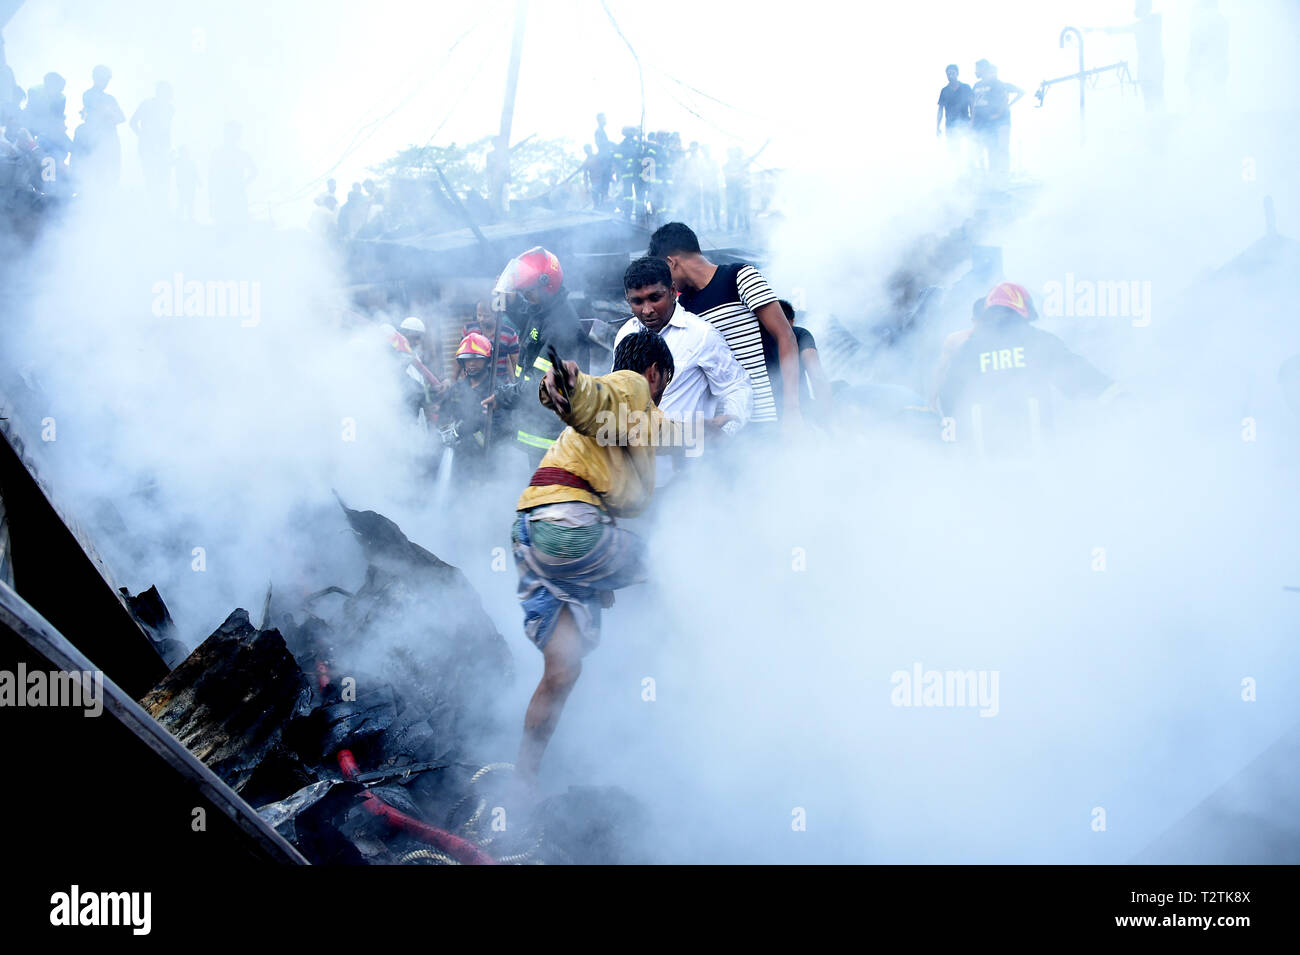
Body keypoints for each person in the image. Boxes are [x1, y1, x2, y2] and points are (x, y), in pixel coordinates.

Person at [512, 329, 682, 780]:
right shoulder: (632, 386)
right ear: (654, 373)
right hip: (569, 526)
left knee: (563, 671)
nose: (659, 397)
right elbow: (592, 398)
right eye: (662, 385)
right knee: (678, 564)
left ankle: (522, 783)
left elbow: (667, 433)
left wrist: (717, 431)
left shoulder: (640, 421)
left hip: (531, 532)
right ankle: (691, 677)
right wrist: (568, 387)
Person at [932, 282, 1118, 458]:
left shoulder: (969, 350)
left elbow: (949, 398)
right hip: (1036, 462)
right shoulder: (1037, 342)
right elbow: (1079, 378)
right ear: (1024, 310)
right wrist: (1118, 398)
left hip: (985, 464)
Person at [649, 221, 802, 429]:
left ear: (670, 262)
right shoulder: (684, 306)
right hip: (728, 425)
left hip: (770, 414)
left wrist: (792, 409)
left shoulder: (739, 277)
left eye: (663, 273)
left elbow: (786, 336)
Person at [614, 256, 753, 479]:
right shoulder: (625, 335)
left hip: (689, 475)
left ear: (671, 290)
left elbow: (737, 388)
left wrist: (725, 433)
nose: (647, 310)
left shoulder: (701, 335)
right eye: (637, 302)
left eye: (655, 298)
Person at [485, 246, 587, 466]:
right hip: (542, 430)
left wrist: (503, 398)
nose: (525, 297)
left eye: (528, 292)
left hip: (555, 436)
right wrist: (508, 300)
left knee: (553, 495)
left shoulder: (561, 327)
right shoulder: (543, 311)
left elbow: (541, 384)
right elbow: (527, 319)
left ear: (546, 285)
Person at [438, 332, 510, 481]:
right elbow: (443, 417)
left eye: (477, 360)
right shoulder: (457, 389)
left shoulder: (498, 390)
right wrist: (444, 433)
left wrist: (470, 441)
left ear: (487, 360)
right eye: (467, 359)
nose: (471, 364)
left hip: (487, 460)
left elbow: (502, 428)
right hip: (458, 460)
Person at [1092, 1, 1165, 113]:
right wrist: (1098, 29)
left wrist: (1100, 29)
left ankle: (1158, 118)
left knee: (1155, 94)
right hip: (1146, 66)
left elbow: (1122, 29)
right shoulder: (1145, 24)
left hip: (1153, 65)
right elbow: (1121, 29)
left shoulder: (1153, 22)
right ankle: (1153, 118)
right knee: (1149, 96)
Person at [970, 59, 1023, 185]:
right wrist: (972, 120)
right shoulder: (976, 85)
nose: (975, 71)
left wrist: (999, 113)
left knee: (994, 148)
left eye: (977, 68)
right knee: (978, 148)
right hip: (979, 121)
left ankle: (998, 175)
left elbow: (1004, 99)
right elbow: (974, 103)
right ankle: (984, 175)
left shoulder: (997, 84)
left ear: (984, 69)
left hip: (992, 121)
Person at [72, 65, 125, 188]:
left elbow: (122, 117)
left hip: (109, 140)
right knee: (96, 173)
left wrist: (109, 115)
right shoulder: (88, 94)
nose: (105, 82)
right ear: (95, 78)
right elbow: (98, 112)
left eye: (107, 80)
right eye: (103, 79)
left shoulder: (110, 98)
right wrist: (108, 115)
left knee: (112, 172)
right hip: (94, 140)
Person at [778, 299, 832, 416]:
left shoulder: (755, 339)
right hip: (801, 412)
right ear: (792, 321)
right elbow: (816, 375)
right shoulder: (799, 334)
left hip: (764, 417)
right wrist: (828, 415)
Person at [130, 81, 174, 205]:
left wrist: (169, 147)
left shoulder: (170, 109)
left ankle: (162, 206)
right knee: (150, 177)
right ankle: (153, 206)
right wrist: (143, 137)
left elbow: (167, 130)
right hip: (147, 148)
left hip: (163, 149)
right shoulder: (147, 105)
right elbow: (133, 122)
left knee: (164, 178)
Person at [209, 121, 256, 226]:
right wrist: (243, 183)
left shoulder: (220, 154)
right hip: (226, 198)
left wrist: (243, 183)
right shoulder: (238, 154)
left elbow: (211, 178)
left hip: (230, 198)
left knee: (235, 229)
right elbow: (211, 178)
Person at [465, 299, 520, 381]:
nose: (481, 319)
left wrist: (515, 383)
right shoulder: (469, 330)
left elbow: (514, 362)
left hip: (501, 383)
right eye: (479, 315)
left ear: (495, 315)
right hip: (475, 383)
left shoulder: (509, 333)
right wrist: (453, 379)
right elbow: (461, 357)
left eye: (486, 316)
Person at [936, 64, 972, 160]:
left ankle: (971, 168)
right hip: (950, 124)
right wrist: (937, 126)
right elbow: (940, 109)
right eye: (948, 74)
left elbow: (972, 104)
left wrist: (973, 120)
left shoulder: (966, 87)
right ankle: (957, 171)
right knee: (954, 149)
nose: (950, 75)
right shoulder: (944, 91)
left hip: (966, 121)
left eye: (953, 73)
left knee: (971, 146)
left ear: (957, 74)